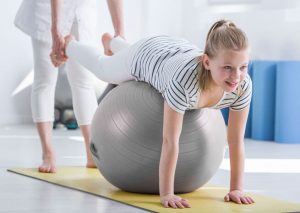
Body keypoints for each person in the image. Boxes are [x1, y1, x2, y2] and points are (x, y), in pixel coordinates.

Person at [53, 19, 255, 208]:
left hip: (172, 52)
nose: (236, 76)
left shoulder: (242, 86)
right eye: (227, 67)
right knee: (104, 68)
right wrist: (166, 193)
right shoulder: (184, 83)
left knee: (123, 57)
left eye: (243, 67)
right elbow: (169, 141)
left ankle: (114, 43)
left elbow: (236, 140)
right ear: (207, 62)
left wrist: (236, 189)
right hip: (147, 54)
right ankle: (70, 45)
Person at [14, 0, 124, 173]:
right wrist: (55, 31)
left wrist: (119, 32)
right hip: (46, 8)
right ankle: (48, 153)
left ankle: (92, 152)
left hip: (82, 8)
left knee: (82, 79)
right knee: (45, 77)